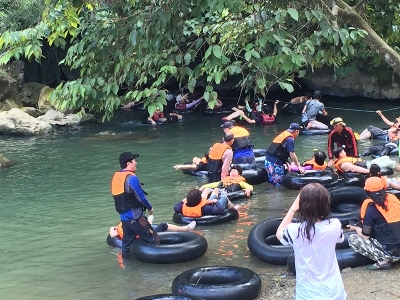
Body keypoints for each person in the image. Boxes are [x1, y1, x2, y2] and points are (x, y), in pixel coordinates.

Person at [276, 183, 346, 299]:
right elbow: (339, 239)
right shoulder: (335, 224)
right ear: (325, 204)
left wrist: (293, 208)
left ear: (302, 206)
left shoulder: (295, 230)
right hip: (334, 291)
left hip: (308, 294)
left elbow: (279, 234)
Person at [111, 152, 158, 258]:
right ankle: (154, 270)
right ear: (129, 163)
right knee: (153, 239)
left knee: (126, 247)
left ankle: (127, 270)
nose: (136, 163)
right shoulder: (131, 178)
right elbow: (141, 198)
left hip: (124, 218)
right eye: (134, 161)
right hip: (135, 217)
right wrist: (150, 208)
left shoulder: (117, 177)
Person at [347, 177, 400, 270]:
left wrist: (355, 228)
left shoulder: (371, 208)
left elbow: (365, 235)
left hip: (391, 252)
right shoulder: (394, 199)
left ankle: (384, 260)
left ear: (366, 191)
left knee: (353, 238)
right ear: (384, 187)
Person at [109, 217, 196, 240]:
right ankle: (185, 229)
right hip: (146, 240)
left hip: (142, 237)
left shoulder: (122, 227)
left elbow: (112, 234)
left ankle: (149, 220)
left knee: (149, 225)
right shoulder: (135, 225)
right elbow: (147, 231)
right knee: (163, 225)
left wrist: (113, 227)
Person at [332, 147, 400, 174]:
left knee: (385, 157)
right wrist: (370, 172)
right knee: (391, 163)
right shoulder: (344, 164)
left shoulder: (340, 160)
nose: (345, 152)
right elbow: (357, 168)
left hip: (366, 163)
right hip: (367, 167)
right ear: (340, 154)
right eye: (343, 151)